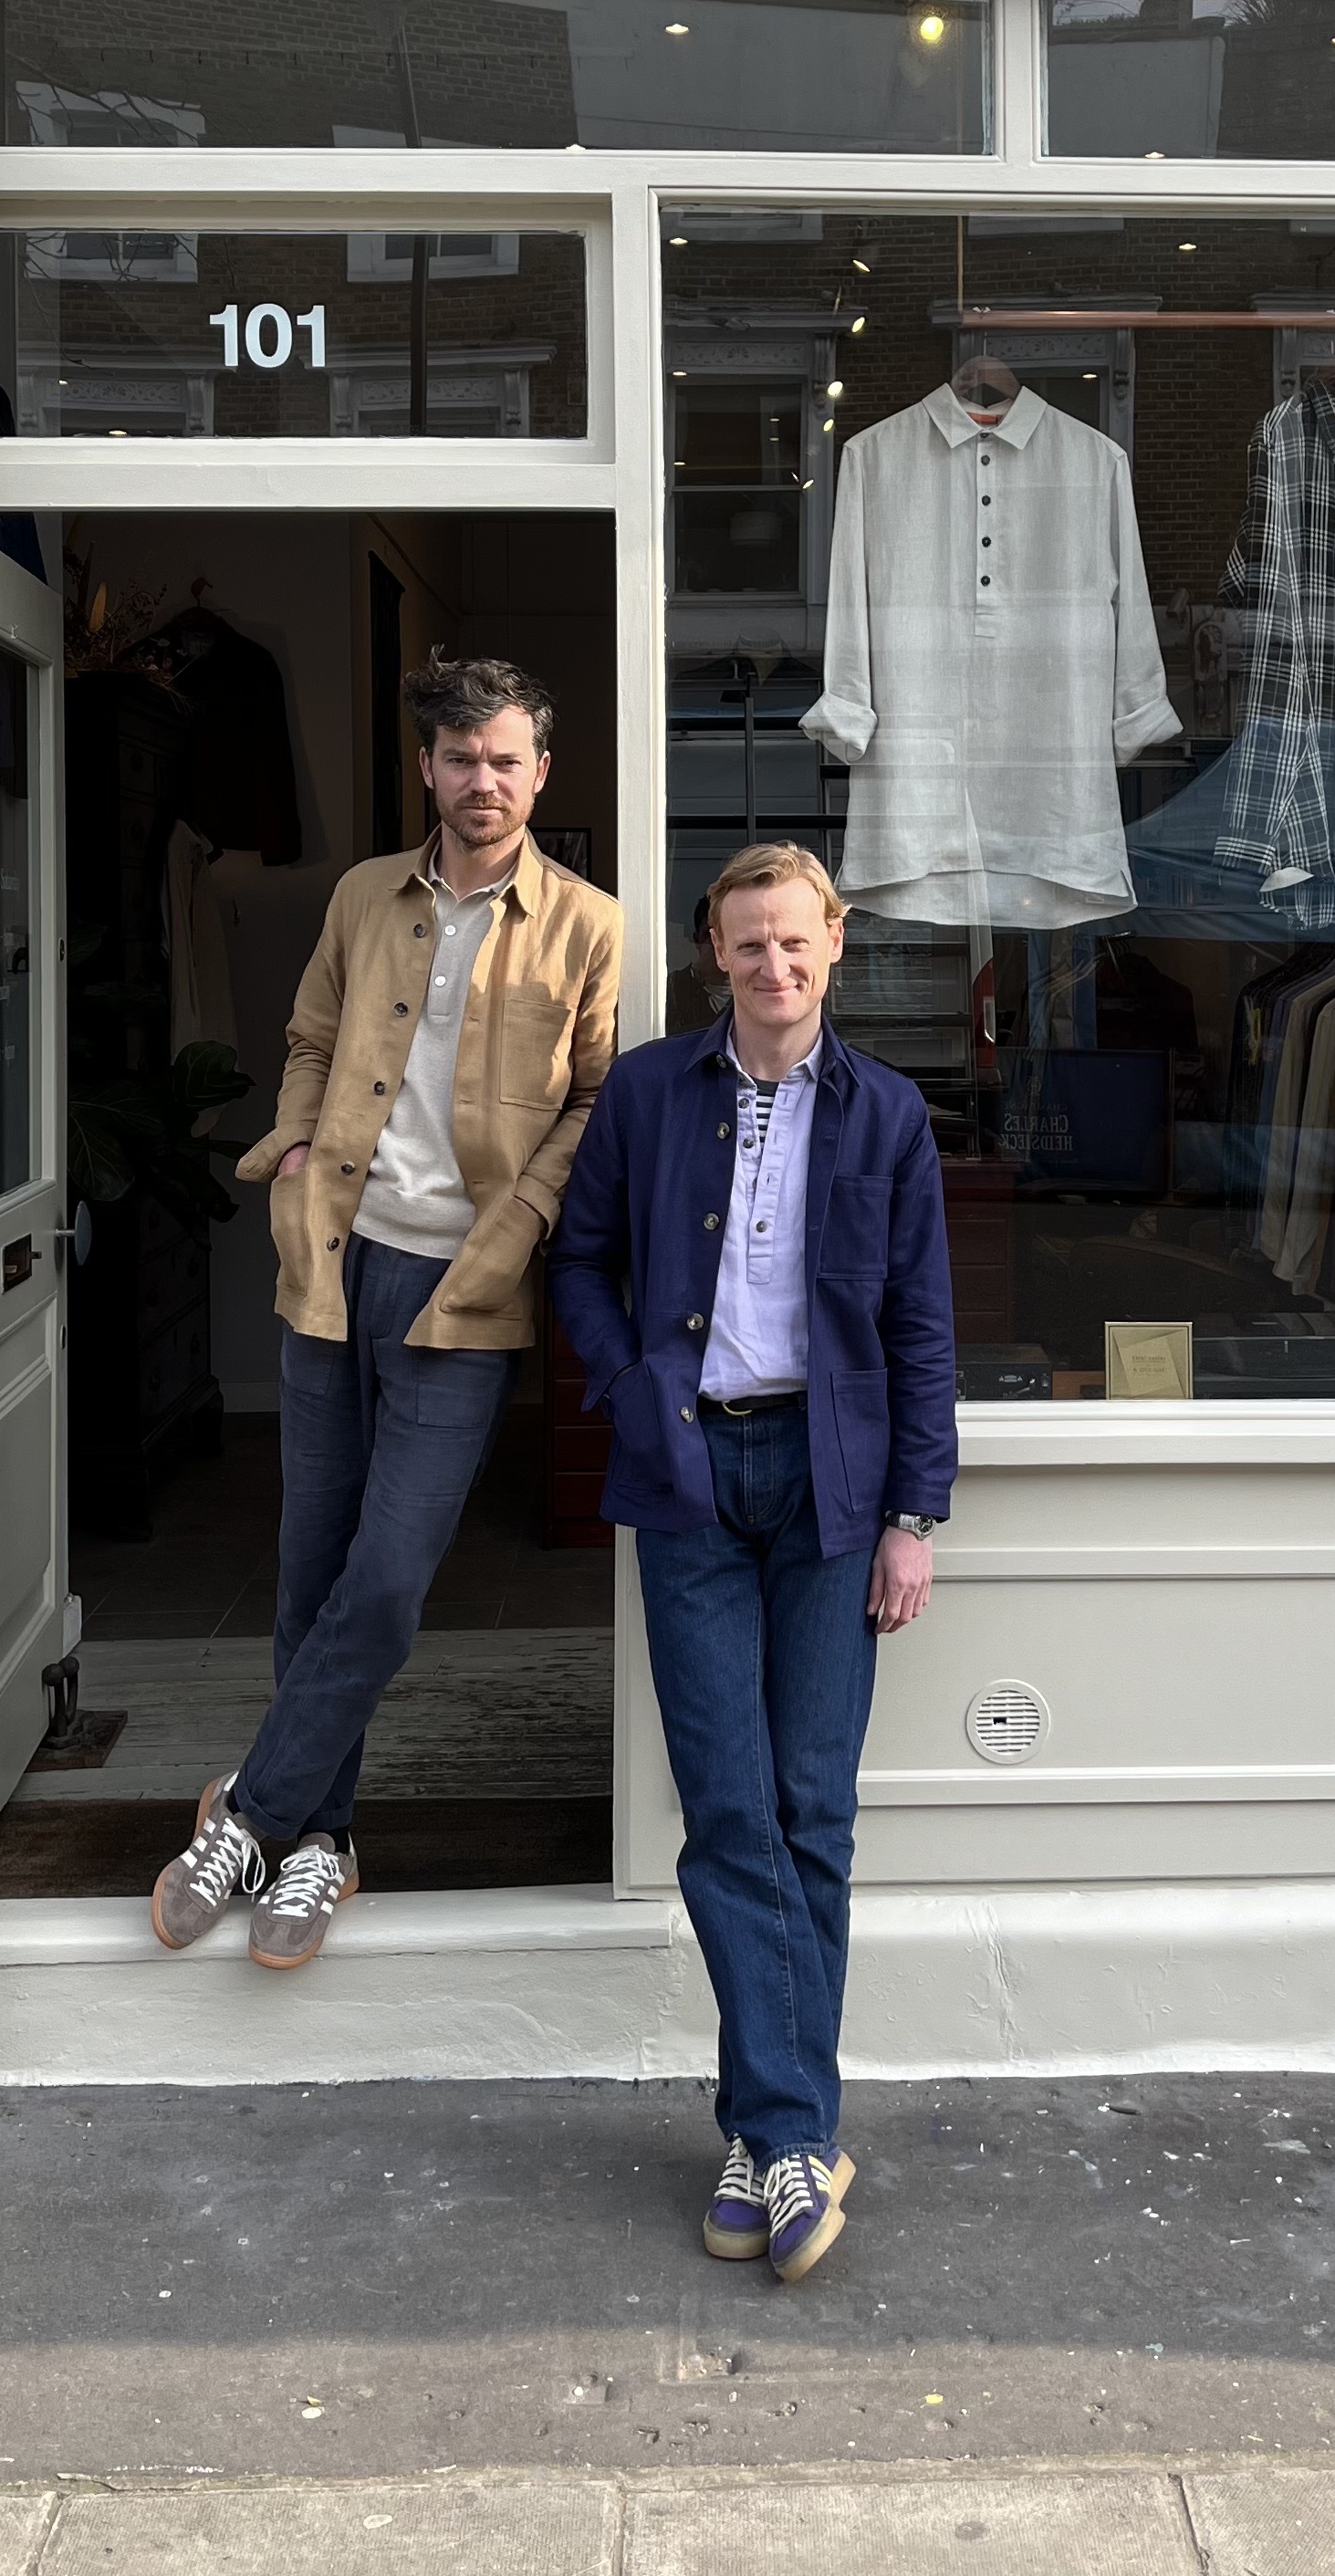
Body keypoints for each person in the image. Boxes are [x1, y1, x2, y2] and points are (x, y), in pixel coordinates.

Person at [151, 652, 620, 1969]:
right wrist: (295, 1150)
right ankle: (319, 1844)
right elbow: (308, 1036)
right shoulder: (365, 895)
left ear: (541, 770)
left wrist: (519, 1223)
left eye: (507, 758)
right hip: (333, 1261)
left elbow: (597, 1101)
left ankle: (248, 1809)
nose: (484, 780)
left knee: (390, 1578)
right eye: (461, 757)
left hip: (464, 1287)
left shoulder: (591, 924)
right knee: (312, 1571)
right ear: (428, 767)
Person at [553, 842, 956, 2284]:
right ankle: (791, 2133)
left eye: (794, 944)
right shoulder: (653, 1095)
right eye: (745, 947)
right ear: (712, 955)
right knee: (729, 1809)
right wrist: (625, 1385)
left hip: (833, 1490)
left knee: (810, 1814)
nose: (772, 969)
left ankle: (766, 2130)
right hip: (689, 1479)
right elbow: (579, 1261)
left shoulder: (891, 1116)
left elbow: (918, 1329)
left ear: (835, 944)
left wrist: (916, 1515)